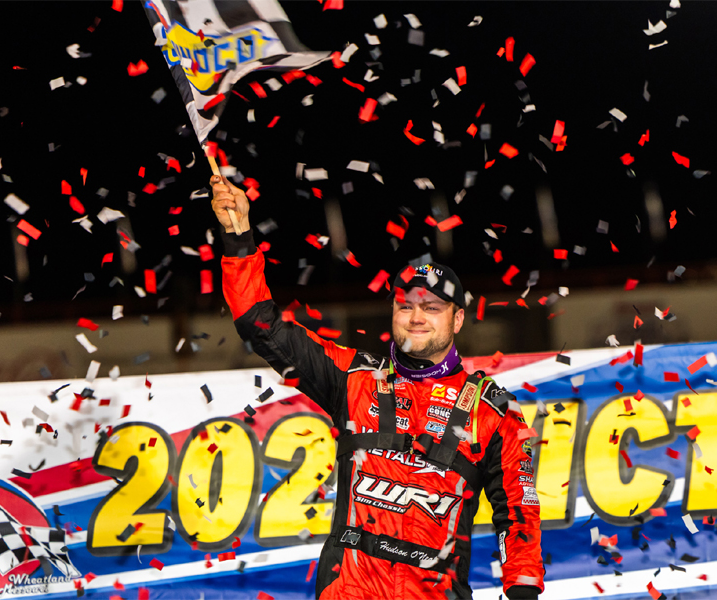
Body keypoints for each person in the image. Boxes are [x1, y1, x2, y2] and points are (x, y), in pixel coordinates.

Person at [211, 175, 544, 600]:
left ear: (457, 319)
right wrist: (238, 237)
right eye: (405, 305)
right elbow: (261, 326)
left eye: (432, 307)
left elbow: (519, 513)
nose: (416, 317)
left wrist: (522, 594)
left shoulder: (492, 409)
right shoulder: (353, 376)